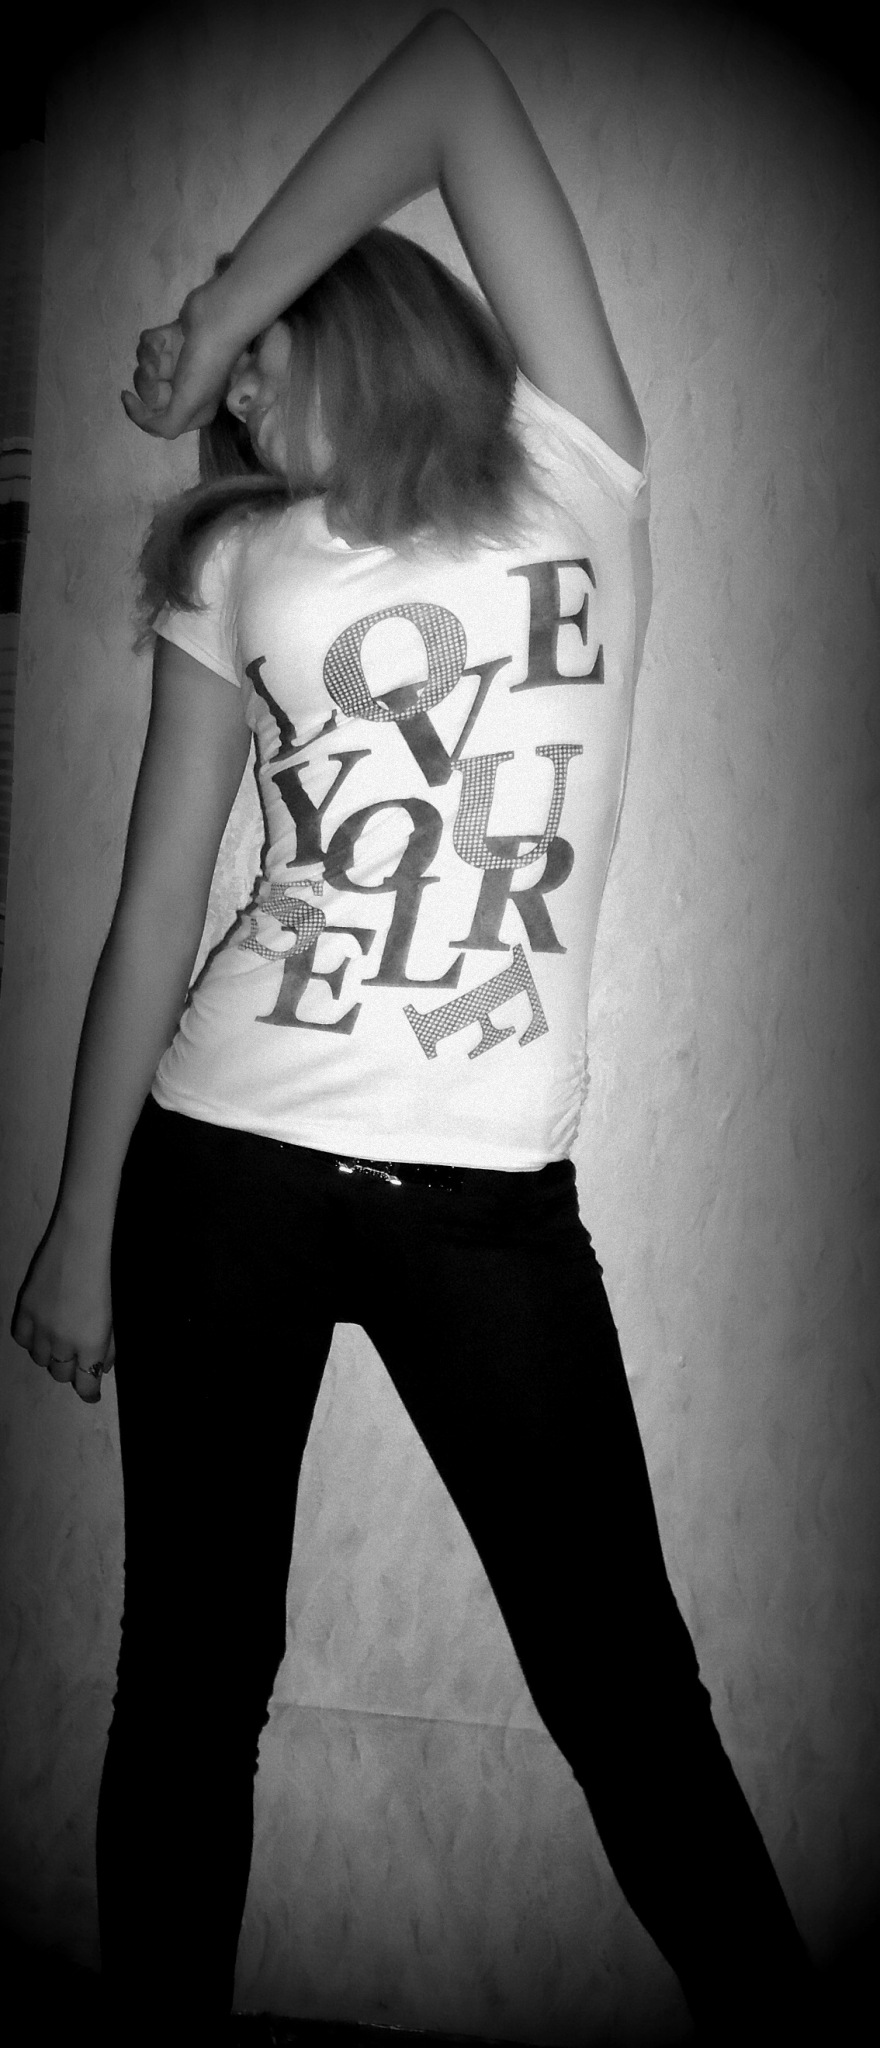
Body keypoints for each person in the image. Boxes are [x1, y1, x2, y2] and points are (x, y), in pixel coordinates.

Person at [13, 13, 818, 2045]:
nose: (230, 391)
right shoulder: (234, 556)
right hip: (220, 1170)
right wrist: (79, 1219)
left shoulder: (576, 468)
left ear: (344, 305)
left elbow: (451, 78)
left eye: (261, 342)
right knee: (191, 1684)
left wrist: (210, 311)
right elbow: (154, 909)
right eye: (224, 370)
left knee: (626, 1698)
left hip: (485, 1206)